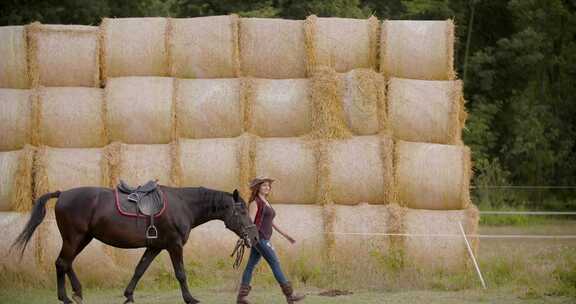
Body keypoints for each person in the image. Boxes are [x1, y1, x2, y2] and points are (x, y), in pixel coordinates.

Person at [237, 177, 306, 304]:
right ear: (258, 188)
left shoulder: (266, 202)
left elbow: (271, 222)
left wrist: (286, 235)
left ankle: (241, 298)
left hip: (262, 238)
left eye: (268, 186)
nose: (267, 187)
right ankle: (290, 294)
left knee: (250, 266)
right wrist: (246, 236)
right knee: (275, 263)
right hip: (259, 238)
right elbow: (250, 221)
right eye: (264, 185)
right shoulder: (255, 202)